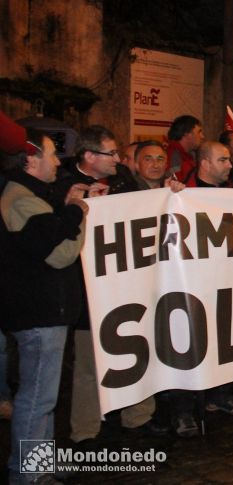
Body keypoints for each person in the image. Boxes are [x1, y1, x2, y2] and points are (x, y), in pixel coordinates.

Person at [56, 127, 172, 445]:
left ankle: (138, 416)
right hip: (86, 285)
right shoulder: (63, 184)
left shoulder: (122, 178)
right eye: (112, 153)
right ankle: (86, 429)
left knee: (135, 349)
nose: (119, 159)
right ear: (90, 156)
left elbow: (141, 209)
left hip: (125, 280)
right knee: (89, 362)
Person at [0, 127, 89, 484]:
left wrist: (66, 209)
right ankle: (26, 473)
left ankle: (41, 463)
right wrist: (78, 214)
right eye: (52, 154)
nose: (57, 161)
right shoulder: (20, 198)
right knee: (37, 398)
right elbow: (59, 254)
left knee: (44, 397)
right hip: (38, 312)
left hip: (44, 310)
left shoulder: (31, 194)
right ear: (30, 159)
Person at [167, 115, 204, 183]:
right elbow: (176, 184)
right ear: (187, 134)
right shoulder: (173, 155)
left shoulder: (191, 154)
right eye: (199, 132)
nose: (202, 136)